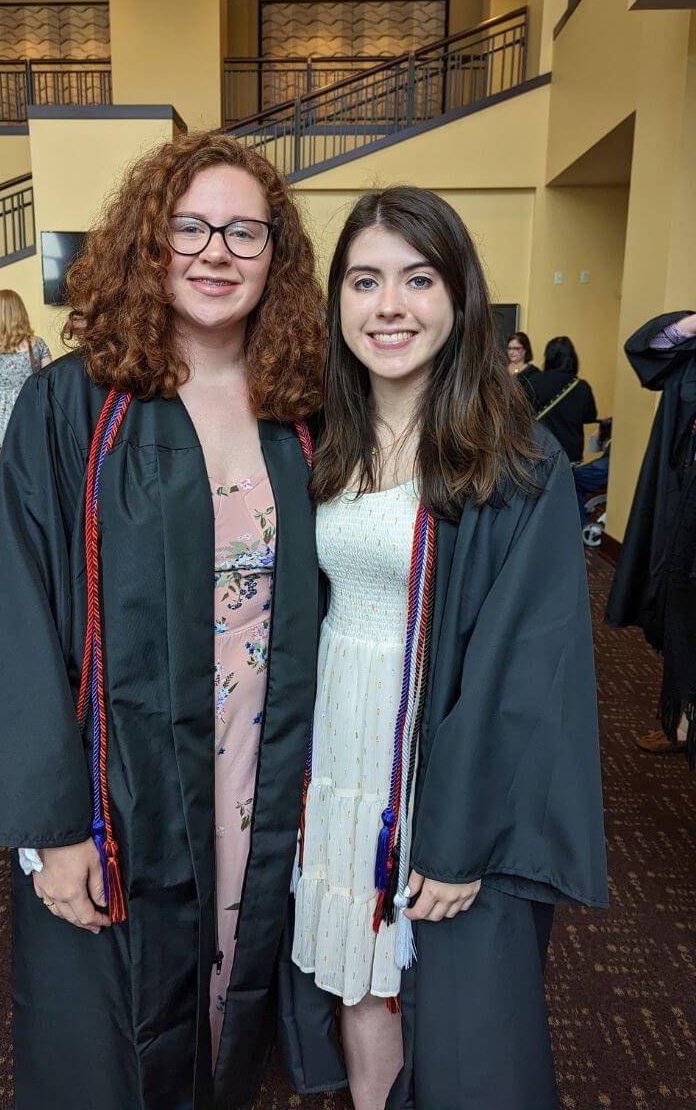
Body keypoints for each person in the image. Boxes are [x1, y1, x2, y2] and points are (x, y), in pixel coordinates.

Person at [0, 132, 326, 1110]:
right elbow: (20, 616)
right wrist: (51, 828)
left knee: (231, 1005)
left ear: (274, 257)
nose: (215, 252)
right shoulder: (77, 405)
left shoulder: (304, 410)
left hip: (259, 767)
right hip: (112, 793)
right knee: (105, 1043)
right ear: (148, 246)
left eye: (244, 232)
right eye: (188, 227)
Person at [286, 188, 608, 1110]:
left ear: (461, 296)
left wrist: (462, 836)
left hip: (439, 761)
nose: (389, 306)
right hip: (340, 746)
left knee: (461, 1012)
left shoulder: (515, 461)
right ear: (337, 301)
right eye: (365, 280)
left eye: (418, 279)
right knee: (358, 973)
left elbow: (526, 667)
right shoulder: (321, 436)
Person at [606, 311, 696, 760]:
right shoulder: (691, 354)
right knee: (681, 607)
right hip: (688, 505)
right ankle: (678, 721)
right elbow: (647, 348)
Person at [0, 289, 52, 443]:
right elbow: (50, 381)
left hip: (2, 414)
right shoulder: (37, 343)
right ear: (21, 312)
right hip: (32, 406)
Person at [526, 336, 598, 462]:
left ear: (548, 357)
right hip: (570, 455)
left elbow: (523, 414)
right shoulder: (581, 386)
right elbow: (590, 416)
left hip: (540, 451)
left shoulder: (534, 381)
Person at [573, 417, 611, 526]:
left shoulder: (612, 446)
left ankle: (580, 524)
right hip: (601, 471)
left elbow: (599, 467)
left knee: (573, 481)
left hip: (602, 473)